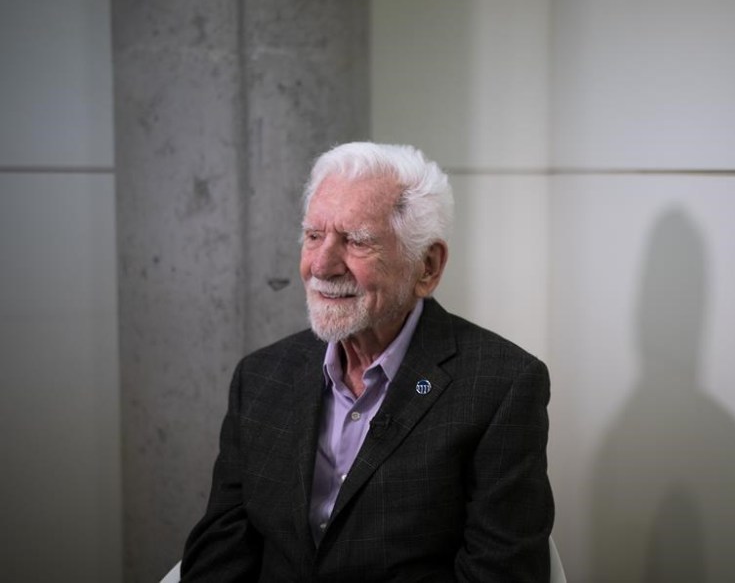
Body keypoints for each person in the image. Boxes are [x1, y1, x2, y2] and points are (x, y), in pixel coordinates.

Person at [181, 142, 554, 581]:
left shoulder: (501, 386)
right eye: (314, 236)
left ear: (427, 267)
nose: (321, 265)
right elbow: (220, 555)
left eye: (356, 241)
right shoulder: (261, 377)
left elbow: (502, 573)